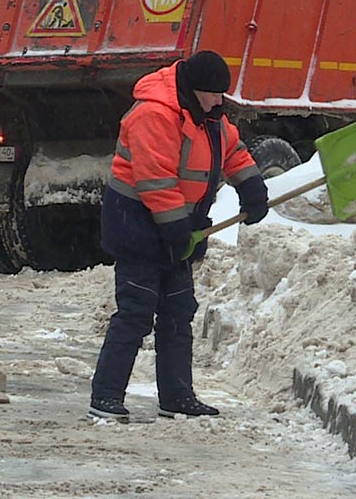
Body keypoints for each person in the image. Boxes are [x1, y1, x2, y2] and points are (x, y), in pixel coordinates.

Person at [89, 50, 270, 420]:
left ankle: (176, 396)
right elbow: (156, 180)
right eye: (214, 94)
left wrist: (252, 188)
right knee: (136, 313)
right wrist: (177, 228)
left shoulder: (208, 117)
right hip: (138, 225)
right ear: (196, 89)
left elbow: (232, 152)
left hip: (178, 227)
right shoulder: (154, 114)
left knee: (178, 313)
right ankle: (105, 396)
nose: (220, 102)